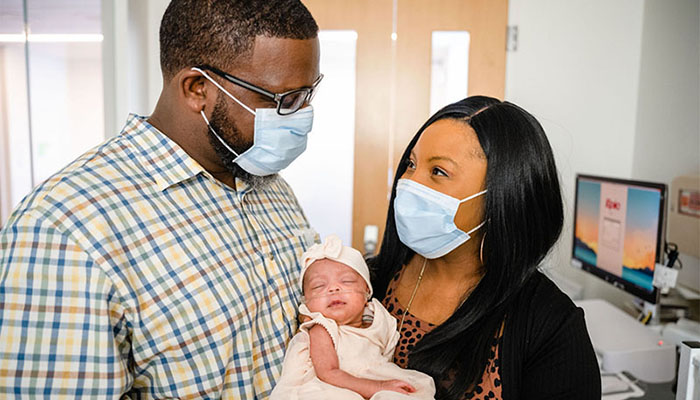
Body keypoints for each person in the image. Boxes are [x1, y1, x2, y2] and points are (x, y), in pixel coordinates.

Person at [0, 1, 322, 398]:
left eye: (308, 93)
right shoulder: (66, 230)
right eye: (283, 100)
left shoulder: (268, 184)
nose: (304, 114)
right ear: (196, 89)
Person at [369, 96, 601, 400]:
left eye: (438, 172)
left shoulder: (550, 326)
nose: (409, 182)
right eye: (411, 164)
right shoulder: (364, 281)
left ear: (503, 196)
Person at [270, 235, 435, 400]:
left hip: (377, 375)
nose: (333, 288)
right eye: (319, 286)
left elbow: (386, 352)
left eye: (347, 281)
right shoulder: (322, 328)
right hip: (333, 387)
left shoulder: (379, 317)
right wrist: (378, 387)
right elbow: (328, 373)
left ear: (366, 292)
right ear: (306, 302)